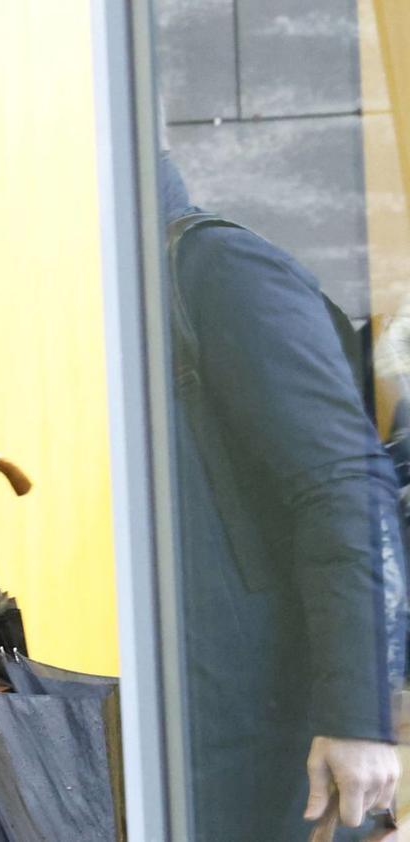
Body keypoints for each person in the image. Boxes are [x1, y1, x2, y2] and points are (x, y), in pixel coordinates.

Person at [162, 142, 406, 838]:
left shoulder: (213, 269)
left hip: (270, 745)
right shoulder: (96, 307)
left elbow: (343, 484)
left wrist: (355, 717)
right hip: (191, 738)